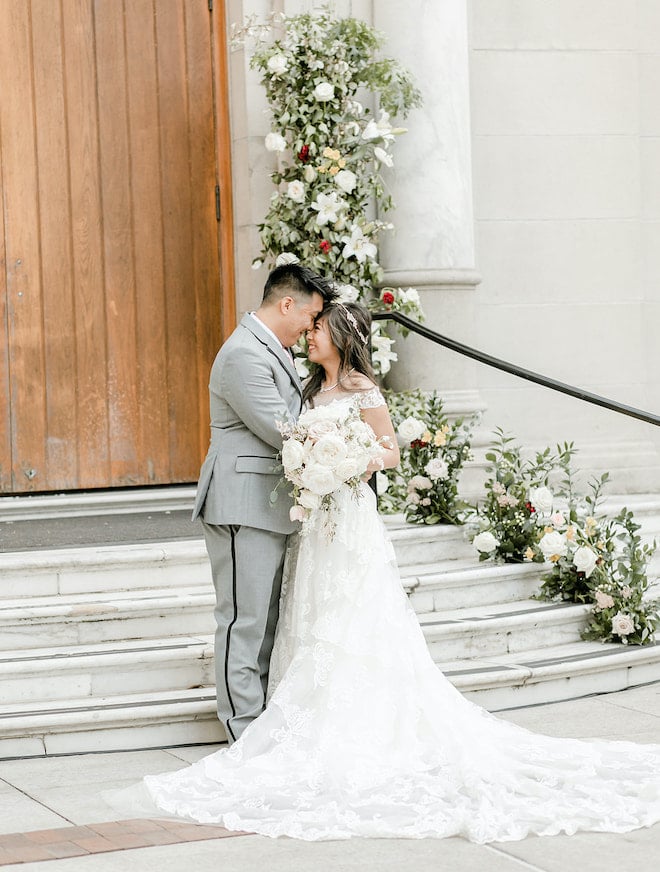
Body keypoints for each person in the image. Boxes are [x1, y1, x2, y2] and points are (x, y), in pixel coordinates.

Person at [122, 301, 660, 842]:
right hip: (315, 523)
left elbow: (390, 453)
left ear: (342, 337)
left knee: (355, 616)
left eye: (318, 329)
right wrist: (317, 465)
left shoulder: (362, 388)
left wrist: (347, 461)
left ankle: (359, 724)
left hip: (351, 519)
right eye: (309, 326)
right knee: (307, 614)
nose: (309, 335)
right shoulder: (309, 391)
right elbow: (293, 440)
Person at [191, 262, 336, 744]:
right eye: (310, 317)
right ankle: (242, 731)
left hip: (266, 504)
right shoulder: (244, 355)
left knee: (265, 621)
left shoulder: (270, 350)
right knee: (243, 619)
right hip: (241, 503)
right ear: (286, 303)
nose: (311, 328)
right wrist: (342, 451)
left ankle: (258, 719)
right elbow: (282, 431)